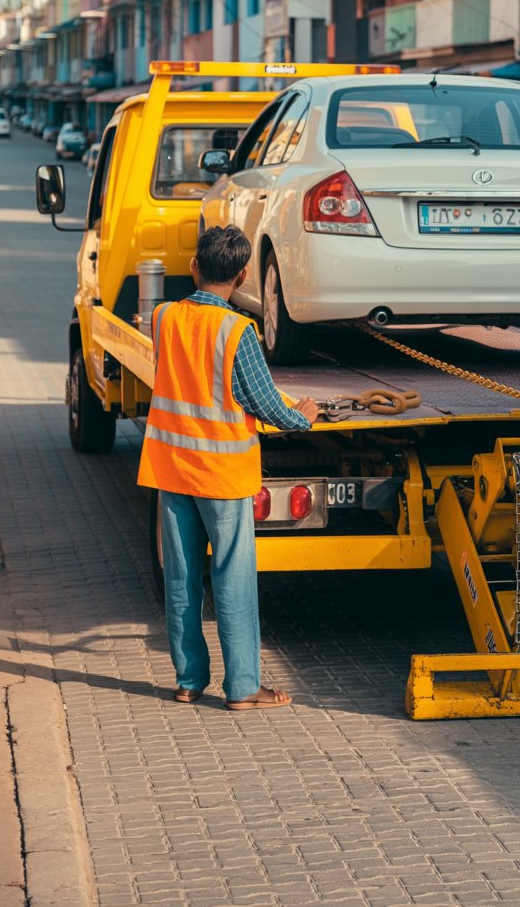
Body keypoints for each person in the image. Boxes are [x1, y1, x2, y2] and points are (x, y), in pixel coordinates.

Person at [138, 226, 319, 709]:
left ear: (194, 266)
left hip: (172, 469)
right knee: (232, 579)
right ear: (242, 276)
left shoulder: (163, 317)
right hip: (221, 475)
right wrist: (304, 416)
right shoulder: (239, 330)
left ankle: (188, 681)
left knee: (181, 579)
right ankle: (242, 688)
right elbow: (263, 402)